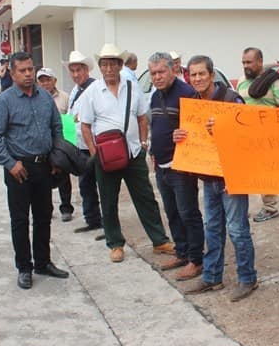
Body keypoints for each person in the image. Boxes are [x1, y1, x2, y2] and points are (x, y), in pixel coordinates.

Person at [79, 44, 174, 263]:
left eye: (113, 64)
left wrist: (142, 144)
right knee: (109, 201)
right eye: (104, 64)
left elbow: (142, 117)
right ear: (100, 68)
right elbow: (85, 125)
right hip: (105, 157)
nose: (109, 68)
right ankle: (115, 243)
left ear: (121, 65)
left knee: (146, 198)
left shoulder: (132, 87)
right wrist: (95, 154)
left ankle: (159, 240)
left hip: (132, 153)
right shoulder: (92, 92)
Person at [0, 52, 70, 290]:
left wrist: (56, 157)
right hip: (19, 169)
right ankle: (24, 267)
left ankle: (43, 262)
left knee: (44, 216)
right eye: (22, 70)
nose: (28, 74)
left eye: (31, 69)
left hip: (44, 165)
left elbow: (57, 128)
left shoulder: (44, 98)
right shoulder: (4, 101)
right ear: (12, 73)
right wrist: (10, 163)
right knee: (20, 220)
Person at [180, 55, 258, 301]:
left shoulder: (231, 99)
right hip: (209, 175)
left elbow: (249, 132)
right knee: (212, 227)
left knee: (237, 229)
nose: (198, 78)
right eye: (193, 75)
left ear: (212, 75)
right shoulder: (193, 102)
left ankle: (248, 278)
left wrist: (225, 127)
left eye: (202, 73)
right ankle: (212, 276)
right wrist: (180, 136)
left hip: (232, 177)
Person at [147, 51, 206, 280]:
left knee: (188, 212)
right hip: (161, 165)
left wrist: (186, 134)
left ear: (173, 70)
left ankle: (196, 259)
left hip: (181, 166)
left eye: (161, 71)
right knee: (172, 212)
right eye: (153, 73)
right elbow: (156, 127)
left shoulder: (187, 94)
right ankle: (181, 251)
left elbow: (199, 130)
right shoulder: (154, 96)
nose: (157, 77)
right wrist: (153, 152)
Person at [235, 46, 279, 223]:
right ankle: (241, 209)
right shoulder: (242, 80)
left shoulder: (275, 82)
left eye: (249, 62)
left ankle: (270, 208)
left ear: (260, 62)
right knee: (246, 174)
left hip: (267, 138)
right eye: (243, 62)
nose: (245, 65)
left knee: (266, 175)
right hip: (246, 137)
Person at [64, 51, 104, 237]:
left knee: (103, 186)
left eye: (78, 70)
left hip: (94, 145)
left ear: (86, 70)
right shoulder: (75, 90)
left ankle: (109, 223)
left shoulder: (95, 88)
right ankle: (93, 219)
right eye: (72, 71)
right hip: (79, 146)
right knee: (85, 185)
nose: (75, 74)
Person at [37, 67, 73, 222]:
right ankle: (46, 209)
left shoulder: (65, 97)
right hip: (43, 144)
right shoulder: (34, 98)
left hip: (61, 144)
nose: (45, 83)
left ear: (54, 81)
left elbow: (70, 120)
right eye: (42, 80)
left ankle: (66, 208)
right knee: (43, 179)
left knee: (63, 177)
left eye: (48, 80)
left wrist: (70, 145)